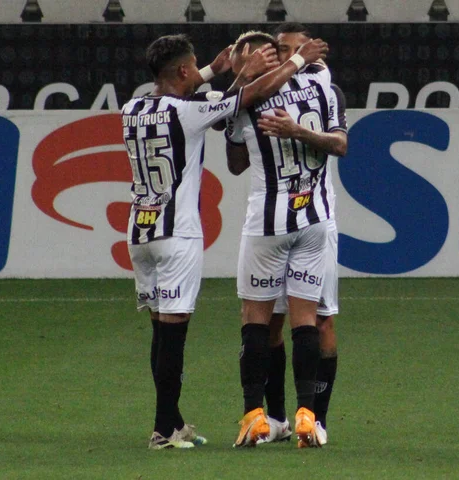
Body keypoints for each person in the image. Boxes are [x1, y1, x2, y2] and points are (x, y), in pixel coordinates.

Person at [121, 33, 328, 450]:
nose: (199, 70)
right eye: (193, 65)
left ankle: (173, 421)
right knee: (173, 336)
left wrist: (217, 69)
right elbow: (244, 99)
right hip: (176, 234)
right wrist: (291, 62)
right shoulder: (189, 112)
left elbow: (192, 91)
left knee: (159, 334)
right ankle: (164, 430)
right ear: (182, 71)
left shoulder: (132, 108)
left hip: (139, 231)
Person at [225, 31, 345, 448]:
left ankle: (254, 415)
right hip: (312, 219)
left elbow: (235, 164)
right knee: (304, 320)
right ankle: (303, 416)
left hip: (268, 224)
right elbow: (340, 142)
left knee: (255, 319)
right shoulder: (320, 84)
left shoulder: (245, 99)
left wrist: (241, 86)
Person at [259, 22, 348, 447]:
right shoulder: (261, 94)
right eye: (280, 49)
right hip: (273, 224)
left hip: (317, 221)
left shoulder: (327, 91)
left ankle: (317, 418)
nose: (285, 56)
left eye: (295, 50)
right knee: (271, 323)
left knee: (321, 322)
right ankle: (275, 418)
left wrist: (298, 131)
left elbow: (339, 144)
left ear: (314, 56)